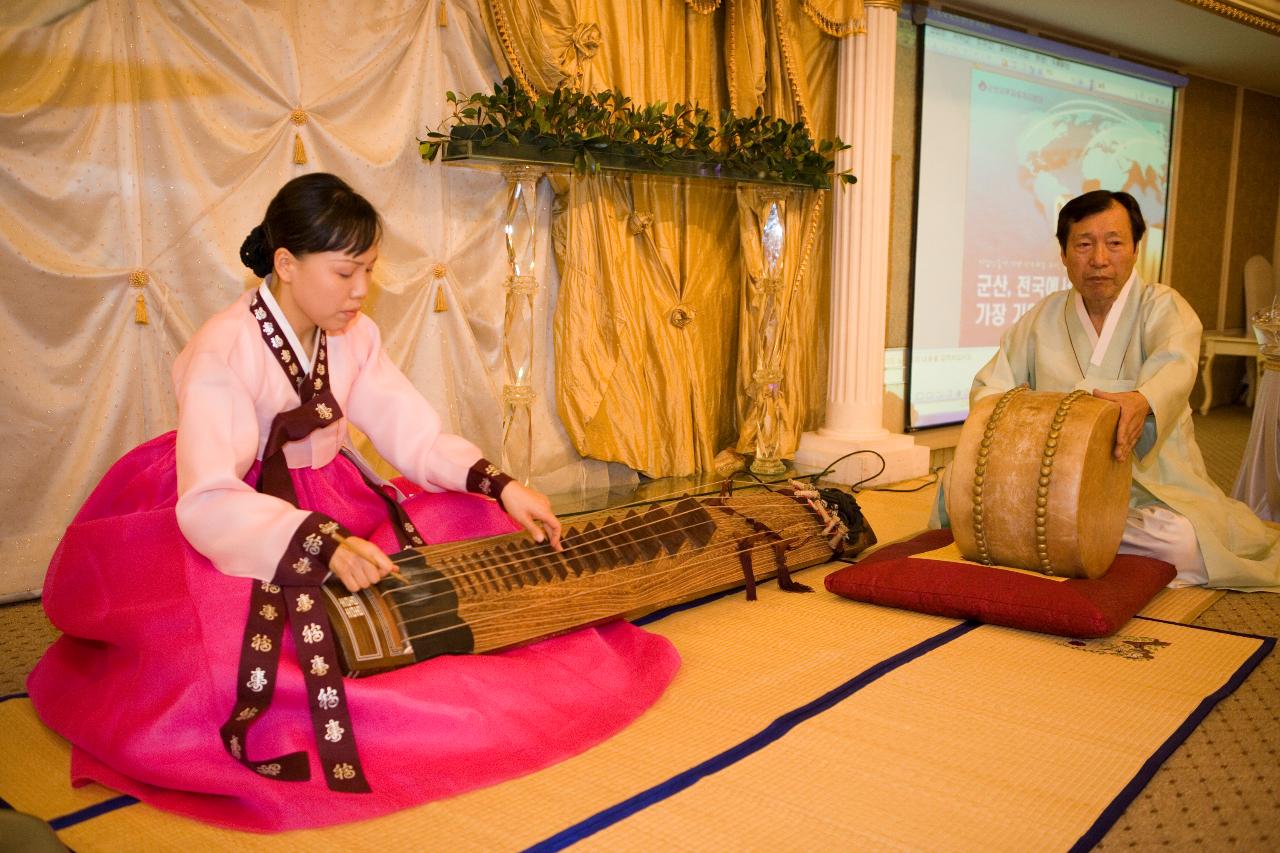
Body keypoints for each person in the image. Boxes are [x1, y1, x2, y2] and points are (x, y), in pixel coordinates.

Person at [27, 173, 679, 831]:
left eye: (368, 269)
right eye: (346, 272)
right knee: (232, 660)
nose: (361, 290)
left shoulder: (353, 336)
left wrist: (504, 486)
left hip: (333, 495)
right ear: (286, 264)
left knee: (475, 522)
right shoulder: (224, 346)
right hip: (241, 514)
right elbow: (208, 497)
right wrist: (324, 544)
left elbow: (411, 431)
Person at [936, 189, 1278, 590]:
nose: (1099, 259)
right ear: (1064, 254)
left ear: (1135, 248)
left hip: (1145, 483)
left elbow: (1176, 368)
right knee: (953, 483)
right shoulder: (1042, 317)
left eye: (1114, 243)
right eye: (1083, 245)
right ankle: (1071, 540)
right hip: (1053, 484)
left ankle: (1057, 540)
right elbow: (991, 390)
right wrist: (1018, 419)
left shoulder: (1163, 307)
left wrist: (1141, 402)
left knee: (1181, 541)